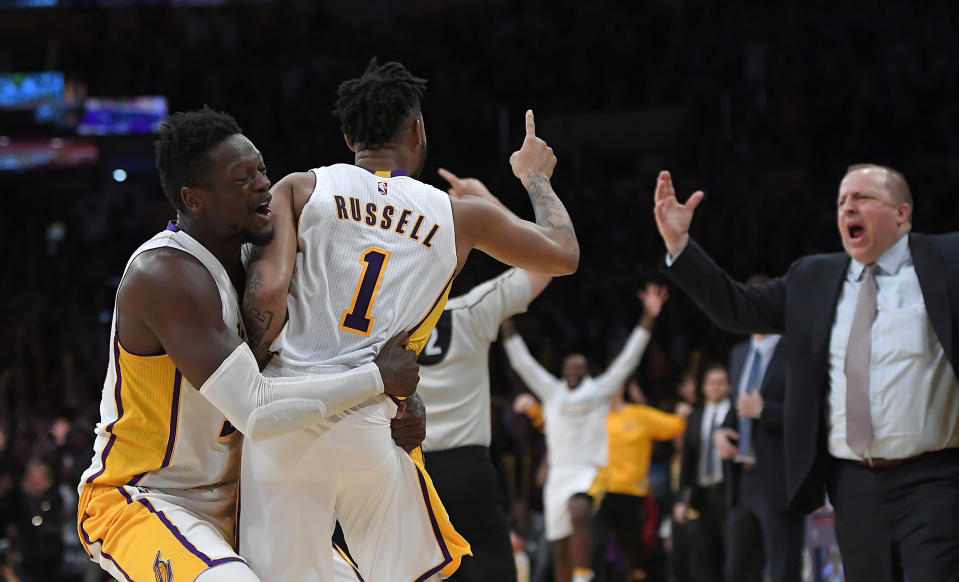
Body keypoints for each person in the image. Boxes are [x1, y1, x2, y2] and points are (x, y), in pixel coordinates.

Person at [239, 58, 579, 582]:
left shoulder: (300, 189)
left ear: (348, 134)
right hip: (371, 426)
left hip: (288, 413)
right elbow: (563, 254)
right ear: (418, 132)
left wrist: (256, 389)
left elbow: (267, 291)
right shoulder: (458, 215)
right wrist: (535, 179)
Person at [75, 107, 422, 582]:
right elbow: (256, 409)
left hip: (247, 499)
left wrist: (396, 402)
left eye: (262, 169)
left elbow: (334, 355)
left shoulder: (265, 264)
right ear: (194, 199)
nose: (264, 184)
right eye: (242, 178)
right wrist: (376, 380)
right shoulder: (166, 274)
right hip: (146, 496)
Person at [653, 165, 959, 582]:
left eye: (862, 197)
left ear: (902, 214)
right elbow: (736, 308)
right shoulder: (812, 278)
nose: (848, 206)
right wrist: (680, 244)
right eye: (841, 201)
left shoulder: (947, 261)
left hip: (935, 479)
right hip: (854, 484)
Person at [413, 168, 554, 582]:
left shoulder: (381, 317)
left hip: (403, 469)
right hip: (468, 469)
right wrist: (485, 199)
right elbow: (545, 260)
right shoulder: (473, 308)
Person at [501, 284, 669, 582]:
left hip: (590, 471)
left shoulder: (599, 391)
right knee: (560, 547)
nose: (573, 371)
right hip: (558, 475)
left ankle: (583, 576)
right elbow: (521, 362)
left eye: (579, 367)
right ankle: (572, 575)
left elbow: (629, 359)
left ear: (587, 372)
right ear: (563, 371)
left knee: (580, 511)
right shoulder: (551, 392)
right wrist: (505, 320)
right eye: (568, 367)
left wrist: (648, 318)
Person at [712, 305, 805, 582]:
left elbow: (807, 414)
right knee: (737, 568)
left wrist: (765, 412)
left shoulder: (795, 350)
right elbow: (736, 406)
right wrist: (720, 432)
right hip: (743, 477)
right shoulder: (739, 353)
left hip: (777, 476)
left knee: (781, 568)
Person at [592, 379, 687, 582]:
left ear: (622, 387)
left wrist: (686, 410)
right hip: (598, 492)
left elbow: (676, 425)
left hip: (631, 493)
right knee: (594, 547)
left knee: (634, 553)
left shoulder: (640, 415)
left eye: (614, 382)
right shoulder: (591, 417)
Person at [674, 364, 730, 582]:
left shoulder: (734, 412)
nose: (716, 387)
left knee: (732, 551)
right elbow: (687, 461)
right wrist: (681, 499)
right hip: (703, 495)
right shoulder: (696, 417)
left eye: (721, 382)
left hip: (729, 491)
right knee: (705, 553)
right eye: (711, 383)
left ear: (729, 386)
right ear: (704, 387)